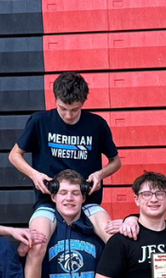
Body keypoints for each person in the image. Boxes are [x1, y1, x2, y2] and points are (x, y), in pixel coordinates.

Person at [8, 71, 119, 233]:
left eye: (75, 110)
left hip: (87, 201)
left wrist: (100, 174)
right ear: (55, 99)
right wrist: (34, 174)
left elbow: (116, 162)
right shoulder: (39, 121)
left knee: (112, 237)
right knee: (37, 243)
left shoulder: (97, 124)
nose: (68, 115)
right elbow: (14, 155)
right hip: (48, 201)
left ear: (83, 102)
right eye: (63, 108)